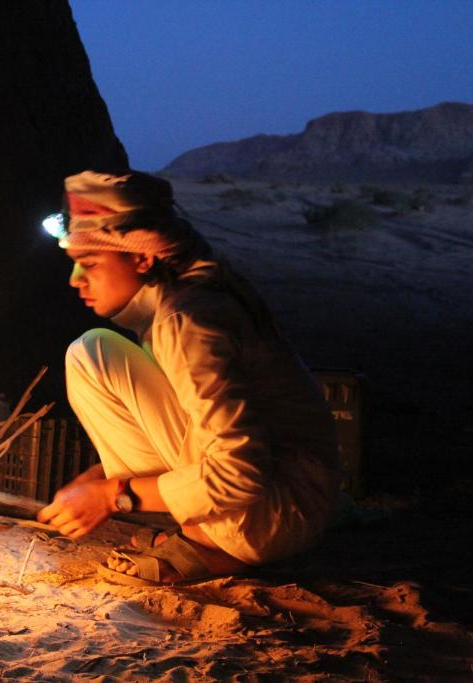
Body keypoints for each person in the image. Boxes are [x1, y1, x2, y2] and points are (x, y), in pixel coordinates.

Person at [35, 170, 341, 586]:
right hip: (283, 500)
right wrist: (100, 480)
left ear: (142, 259)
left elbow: (239, 473)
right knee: (95, 353)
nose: (75, 280)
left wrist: (114, 496)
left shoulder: (186, 322)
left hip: (280, 510)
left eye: (89, 264)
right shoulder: (176, 303)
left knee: (92, 352)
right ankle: (203, 529)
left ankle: (212, 546)